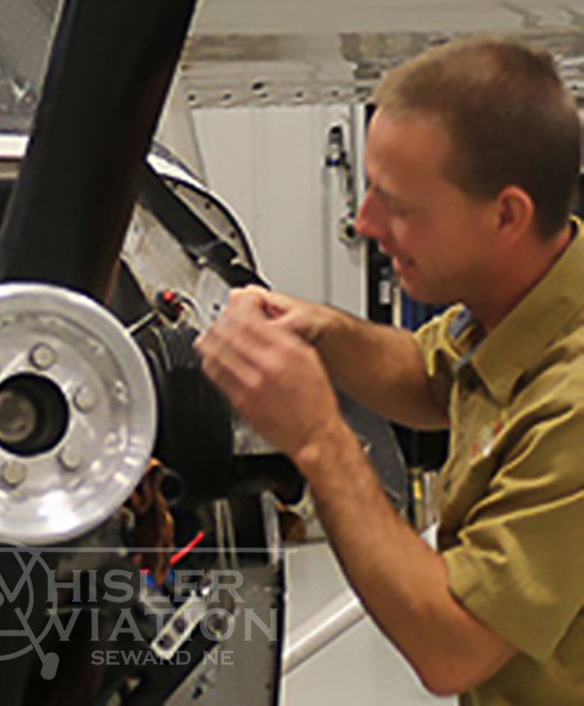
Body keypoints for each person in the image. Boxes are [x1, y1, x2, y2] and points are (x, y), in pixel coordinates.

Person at [195, 38, 584, 705]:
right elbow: (431, 376)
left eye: (398, 205)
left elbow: (452, 649)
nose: (364, 221)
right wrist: (315, 329)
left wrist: (320, 439)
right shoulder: (527, 292)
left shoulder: (575, 402)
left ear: (507, 215)